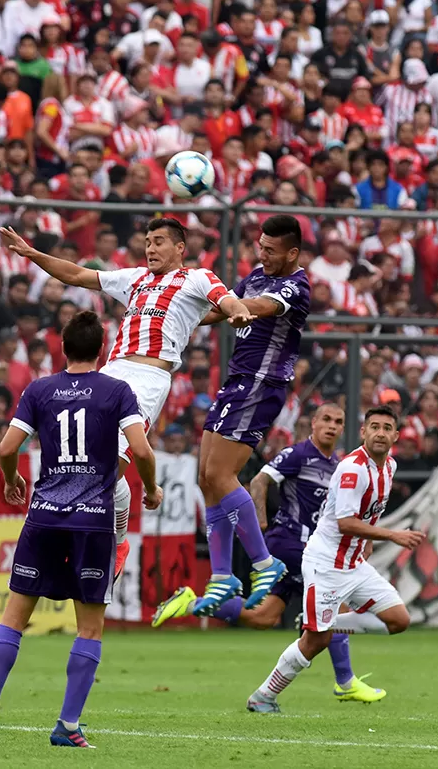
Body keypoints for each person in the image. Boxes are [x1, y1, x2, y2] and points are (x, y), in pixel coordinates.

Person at [0, 217, 251, 581]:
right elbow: (77, 275)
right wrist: (32, 253)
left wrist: (238, 310)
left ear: (180, 248)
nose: (150, 248)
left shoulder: (195, 278)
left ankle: (114, 540)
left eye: (160, 241)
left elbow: (224, 299)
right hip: (110, 372)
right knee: (83, 459)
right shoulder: (134, 279)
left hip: (147, 378)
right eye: (147, 240)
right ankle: (104, 531)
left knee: (110, 465)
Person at [0, 310, 160, 749]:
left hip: (45, 515)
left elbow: (7, 447)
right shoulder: (116, 390)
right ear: (103, 349)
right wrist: (150, 487)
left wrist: (13, 479)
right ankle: (68, 725)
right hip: (94, 521)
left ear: (63, 347)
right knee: (89, 628)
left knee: (14, 617)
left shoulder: (40, 389)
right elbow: (142, 451)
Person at [151, 403, 387, 701]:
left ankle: (191, 603)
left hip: (308, 549)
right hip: (291, 544)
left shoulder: (339, 465)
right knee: (336, 606)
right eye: (325, 419)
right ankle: (345, 681)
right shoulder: (299, 454)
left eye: (338, 422)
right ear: (313, 424)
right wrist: (260, 523)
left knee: (263, 617)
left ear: (344, 429)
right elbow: (260, 480)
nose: (331, 426)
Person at [152, 213, 309, 621]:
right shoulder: (256, 275)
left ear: (293, 252)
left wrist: (237, 306)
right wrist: (179, 317)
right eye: (261, 246)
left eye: (272, 251)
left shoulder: (297, 285)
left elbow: (258, 307)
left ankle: (264, 563)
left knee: (222, 477)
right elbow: (222, 310)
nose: (263, 254)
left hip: (261, 384)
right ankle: (222, 576)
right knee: (205, 477)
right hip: (238, 382)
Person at [246, 406, 425, 713]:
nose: (380, 433)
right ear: (363, 432)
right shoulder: (352, 467)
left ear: (395, 435)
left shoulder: (389, 466)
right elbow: (345, 523)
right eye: (374, 427)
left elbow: (370, 510)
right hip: (325, 563)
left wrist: (368, 540)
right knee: (315, 643)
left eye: (386, 428)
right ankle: (264, 696)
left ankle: (325, 623)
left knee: (399, 621)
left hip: (354, 564)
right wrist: (392, 535)